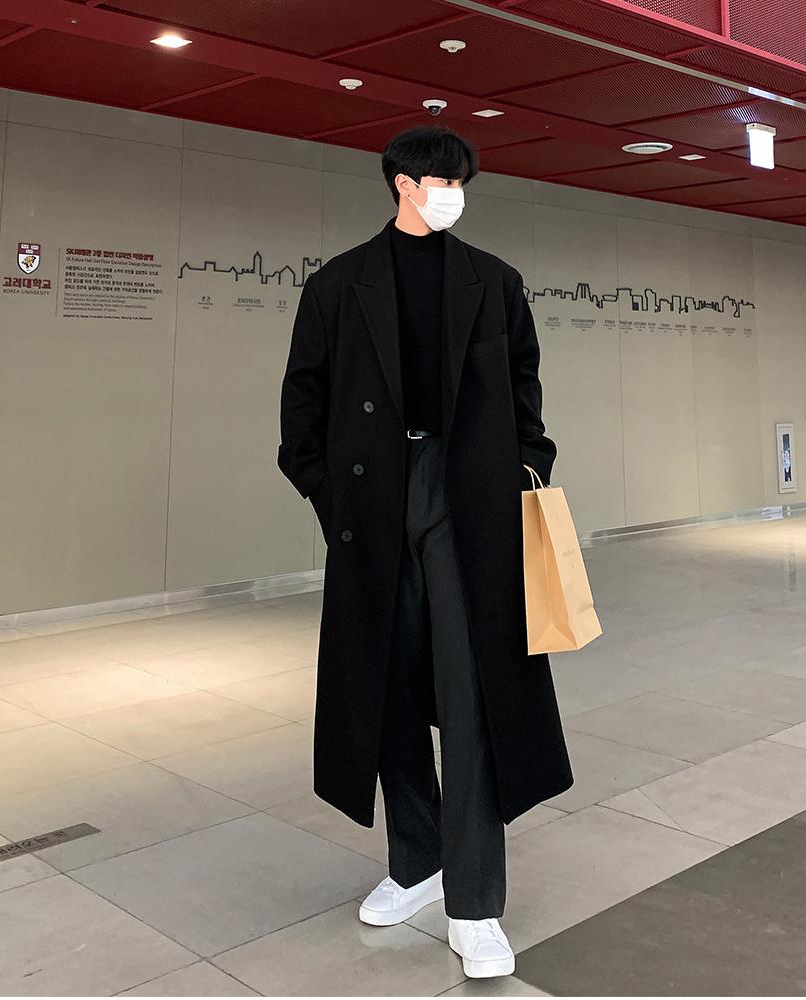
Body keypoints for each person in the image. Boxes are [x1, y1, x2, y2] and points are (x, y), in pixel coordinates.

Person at [277, 125, 573, 980]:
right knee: (387, 687)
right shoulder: (338, 284)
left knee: (472, 688)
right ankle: (418, 862)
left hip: (469, 497)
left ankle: (475, 903)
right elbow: (302, 401)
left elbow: (525, 389)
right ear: (403, 184)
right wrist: (328, 492)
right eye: (442, 180)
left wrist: (527, 466)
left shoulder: (494, 281)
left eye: (460, 181)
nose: (454, 193)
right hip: (370, 499)